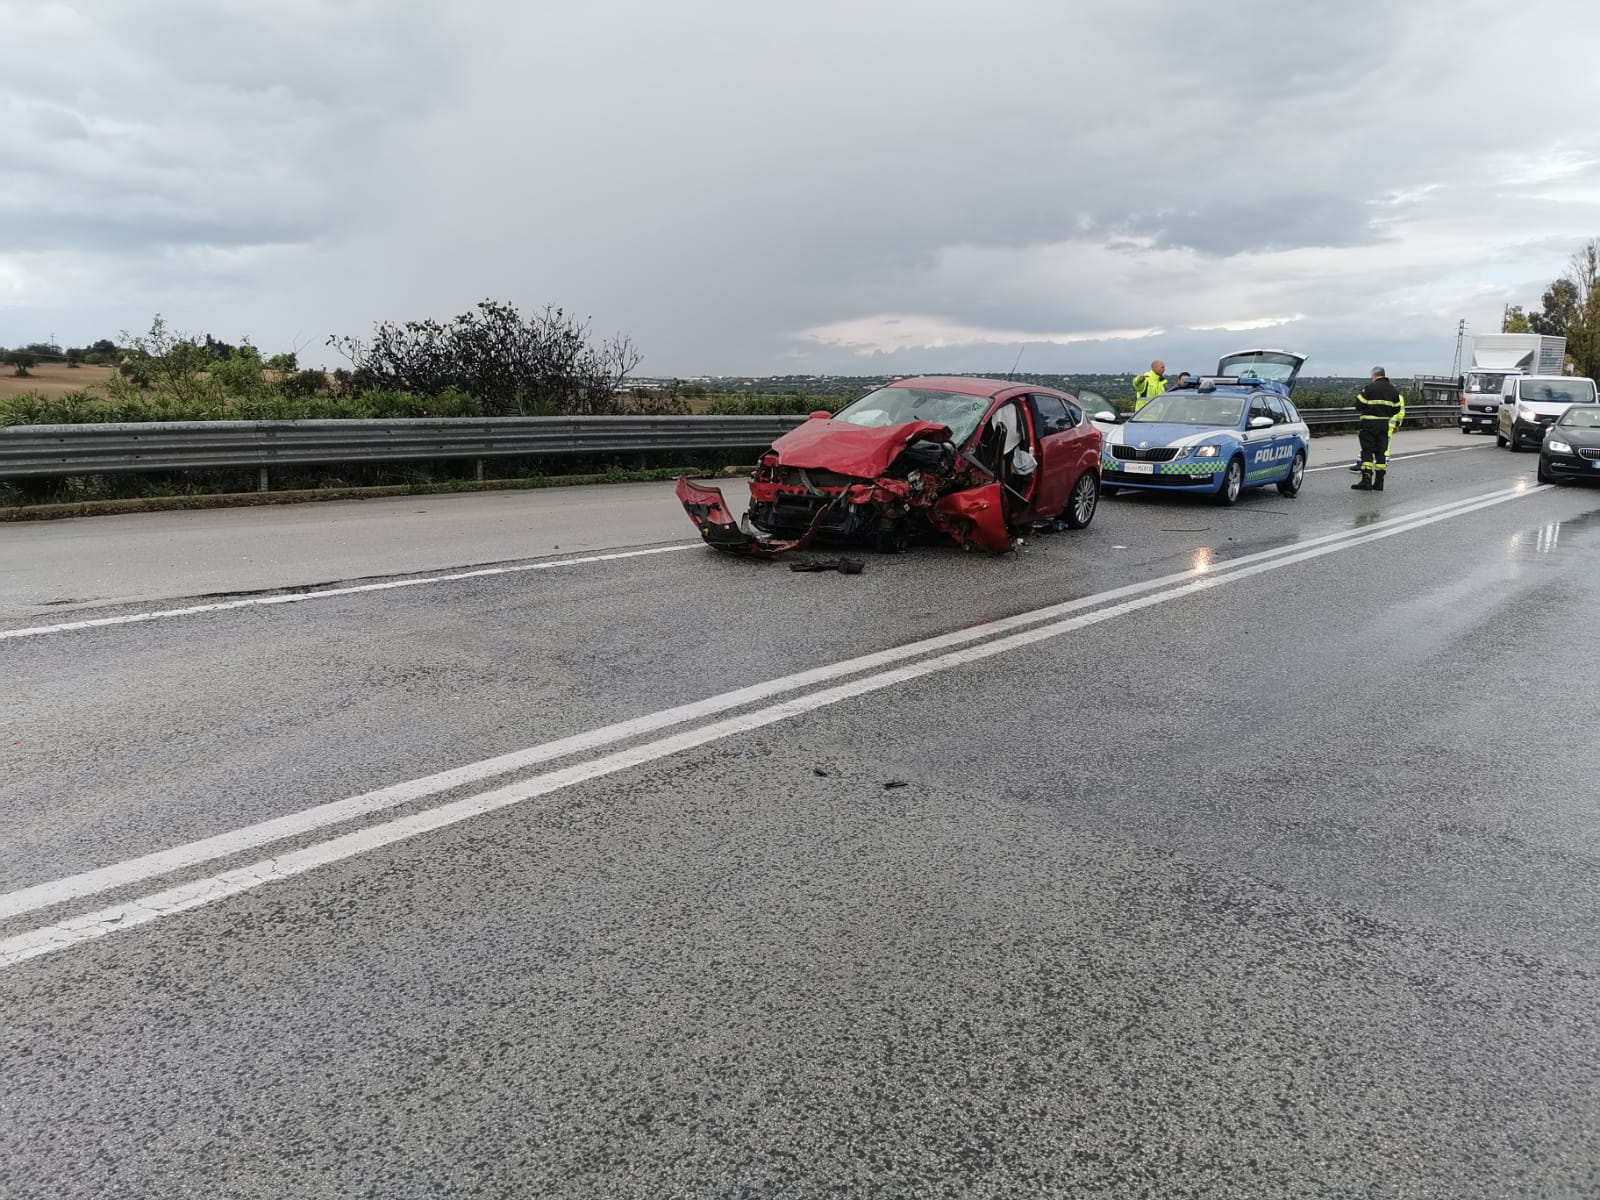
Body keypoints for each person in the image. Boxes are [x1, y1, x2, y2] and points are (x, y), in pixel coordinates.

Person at [1352, 366, 1404, 491]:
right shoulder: (1393, 390)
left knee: (1367, 451)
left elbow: (1358, 405)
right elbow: (1397, 408)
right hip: (1384, 425)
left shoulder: (1369, 388)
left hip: (1368, 425)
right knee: (1381, 453)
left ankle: (1366, 481)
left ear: (1374, 375)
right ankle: (1379, 482)